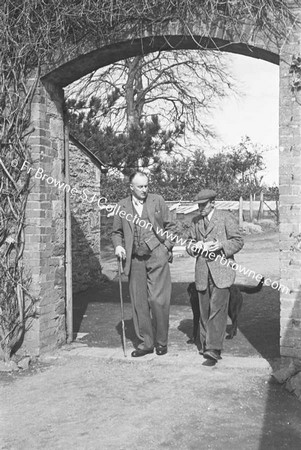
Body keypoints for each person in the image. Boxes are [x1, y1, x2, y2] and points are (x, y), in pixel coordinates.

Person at [111, 171, 175, 357]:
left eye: (146, 186)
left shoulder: (158, 201)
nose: (144, 190)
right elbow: (116, 232)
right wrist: (118, 247)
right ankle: (146, 343)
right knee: (139, 302)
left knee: (158, 300)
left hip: (157, 255)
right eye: (140, 186)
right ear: (131, 187)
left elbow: (171, 226)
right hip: (134, 258)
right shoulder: (122, 205)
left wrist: (166, 247)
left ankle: (161, 341)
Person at [186, 189, 244, 364]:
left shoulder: (225, 217)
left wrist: (221, 245)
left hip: (222, 272)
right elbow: (188, 242)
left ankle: (214, 350)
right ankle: (205, 345)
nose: (200, 208)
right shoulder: (195, 221)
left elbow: (238, 241)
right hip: (202, 272)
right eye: (199, 205)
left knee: (218, 311)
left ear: (213, 203)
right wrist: (193, 247)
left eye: (204, 205)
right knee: (204, 312)